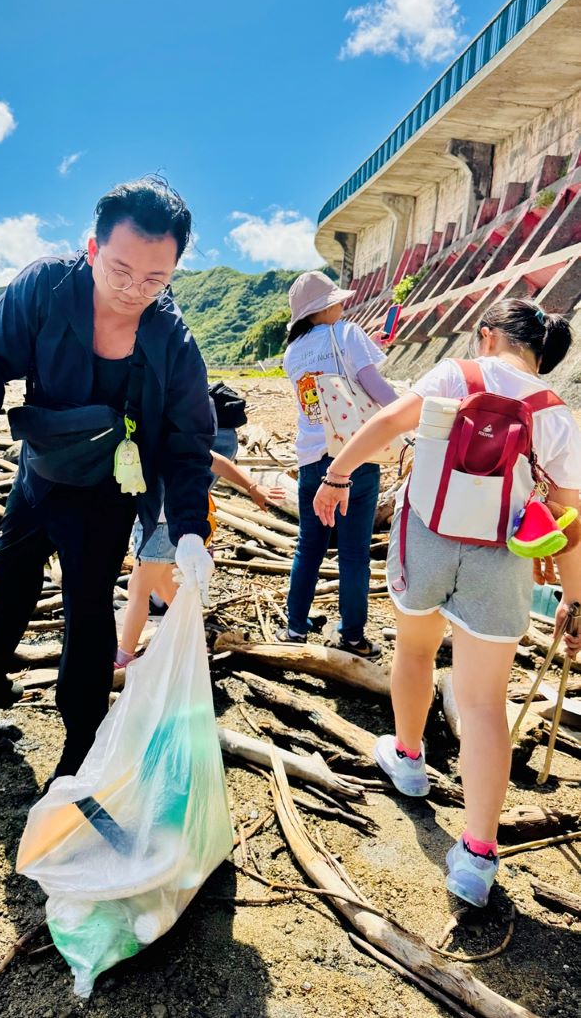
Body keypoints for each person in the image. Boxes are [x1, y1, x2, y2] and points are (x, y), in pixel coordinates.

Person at [0, 177, 216, 783]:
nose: (133, 290)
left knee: (88, 612)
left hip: (108, 492)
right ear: (92, 248)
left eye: (154, 279)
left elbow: (190, 441)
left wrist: (189, 530)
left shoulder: (171, 340)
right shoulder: (45, 286)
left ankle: (82, 737)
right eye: (119, 269)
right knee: (9, 581)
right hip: (39, 472)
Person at [312, 298, 581, 908]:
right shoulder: (558, 414)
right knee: (485, 704)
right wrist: (574, 599)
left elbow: (386, 427)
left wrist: (337, 477)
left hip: (427, 538)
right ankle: (478, 859)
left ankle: (408, 759)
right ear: (545, 357)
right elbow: (569, 520)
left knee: (414, 651)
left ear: (488, 336)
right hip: (504, 555)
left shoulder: (453, 375)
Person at [282, 271, 397, 658]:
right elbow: (376, 389)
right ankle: (352, 637)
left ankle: (294, 630)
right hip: (356, 456)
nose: (343, 305)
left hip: (312, 458)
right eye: (338, 301)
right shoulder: (348, 333)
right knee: (353, 554)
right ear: (328, 305)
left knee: (308, 548)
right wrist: (411, 414)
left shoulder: (293, 351)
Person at [116, 446, 286, 666]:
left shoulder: (162, 435)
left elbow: (214, 459)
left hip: (160, 524)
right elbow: (216, 460)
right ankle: (192, 642)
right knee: (166, 587)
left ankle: (124, 656)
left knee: (137, 590)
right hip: (162, 523)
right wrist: (252, 487)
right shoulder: (175, 435)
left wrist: (253, 487)